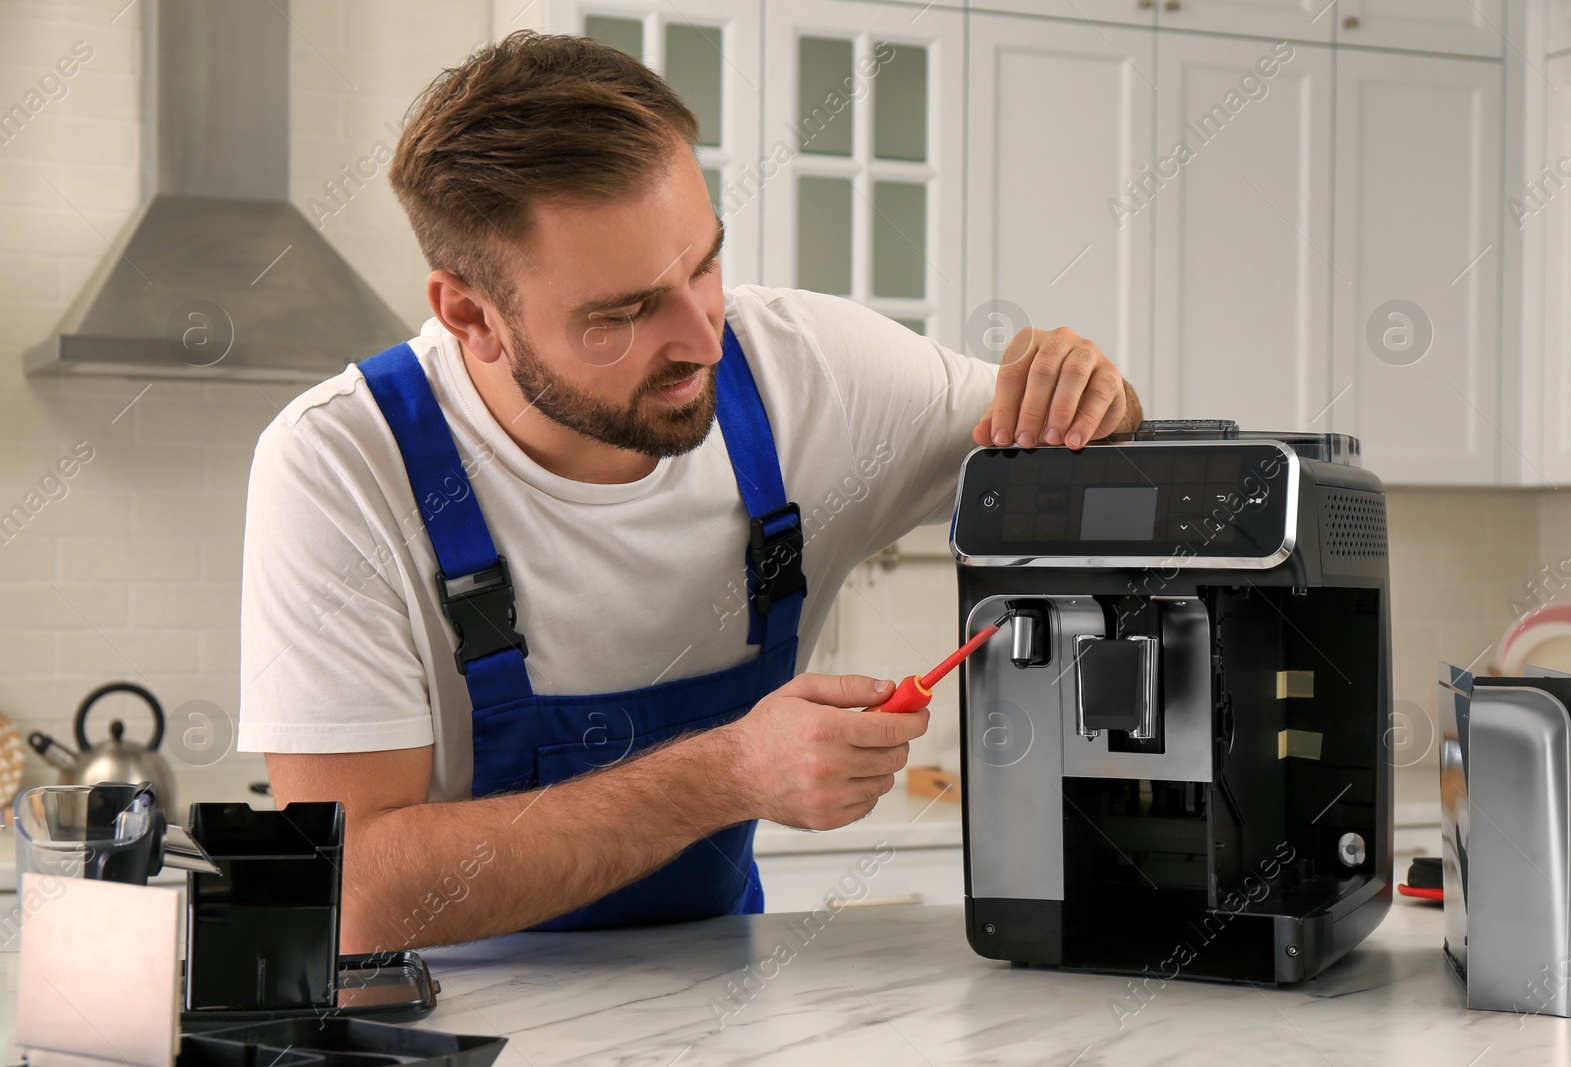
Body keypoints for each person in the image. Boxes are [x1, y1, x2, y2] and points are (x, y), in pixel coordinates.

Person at [238, 31, 1142, 953]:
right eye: (623, 313)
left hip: (717, 1014)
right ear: (472, 315)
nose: (705, 341)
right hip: (455, 1024)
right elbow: (352, 893)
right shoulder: (342, 465)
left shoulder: (810, 373)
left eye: (704, 265)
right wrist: (726, 775)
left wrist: (1095, 398)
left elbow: (1106, 467)